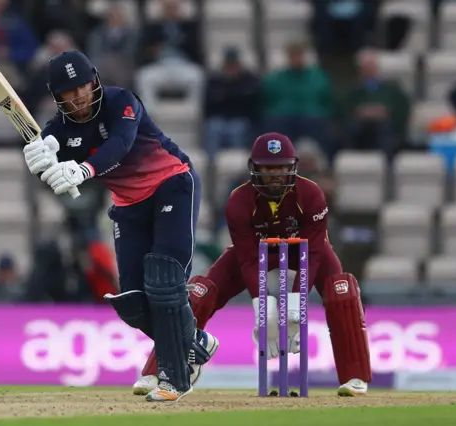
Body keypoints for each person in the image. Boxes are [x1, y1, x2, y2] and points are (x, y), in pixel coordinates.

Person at [21, 50, 218, 402]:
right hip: (130, 206)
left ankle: (173, 378)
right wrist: (41, 161)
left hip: (172, 184)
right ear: (58, 97)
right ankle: (194, 342)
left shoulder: (122, 101)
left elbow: (120, 146)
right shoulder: (58, 129)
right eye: (70, 92)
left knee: (165, 280)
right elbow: (49, 169)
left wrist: (83, 170)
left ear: (94, 80)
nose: (80, 97)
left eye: (83, 87)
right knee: (132, 301)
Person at [134, 133, 372, 397]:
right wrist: (265, 309)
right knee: (199, 293)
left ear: (293, 167)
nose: (275, 175)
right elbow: (248, 259)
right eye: (268, 169)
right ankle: (160, 371)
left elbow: (313, 253)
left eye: (281, 167)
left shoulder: (311, 194)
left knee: (342, 290)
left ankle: (355, 378)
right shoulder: (239, 200)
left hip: (303, 252)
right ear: (254, 169)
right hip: (255, 251)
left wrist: (295, 304)